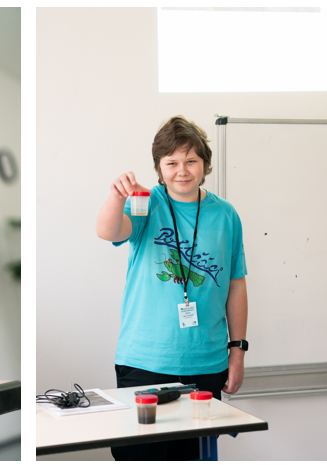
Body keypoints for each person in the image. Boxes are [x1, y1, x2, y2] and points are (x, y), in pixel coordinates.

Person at [95, 116, 249, 460]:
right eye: (172, 163)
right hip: (144, 361)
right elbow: (109, 231)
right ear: (159, 167)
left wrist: (236, 350)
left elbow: (235, 284)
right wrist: (116, 196)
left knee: (191, 456)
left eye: (191, 161)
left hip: (206, 363)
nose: (182, 170)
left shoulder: (226, 214)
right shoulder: (145, 202)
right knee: (139, 457)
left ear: (205, 164)